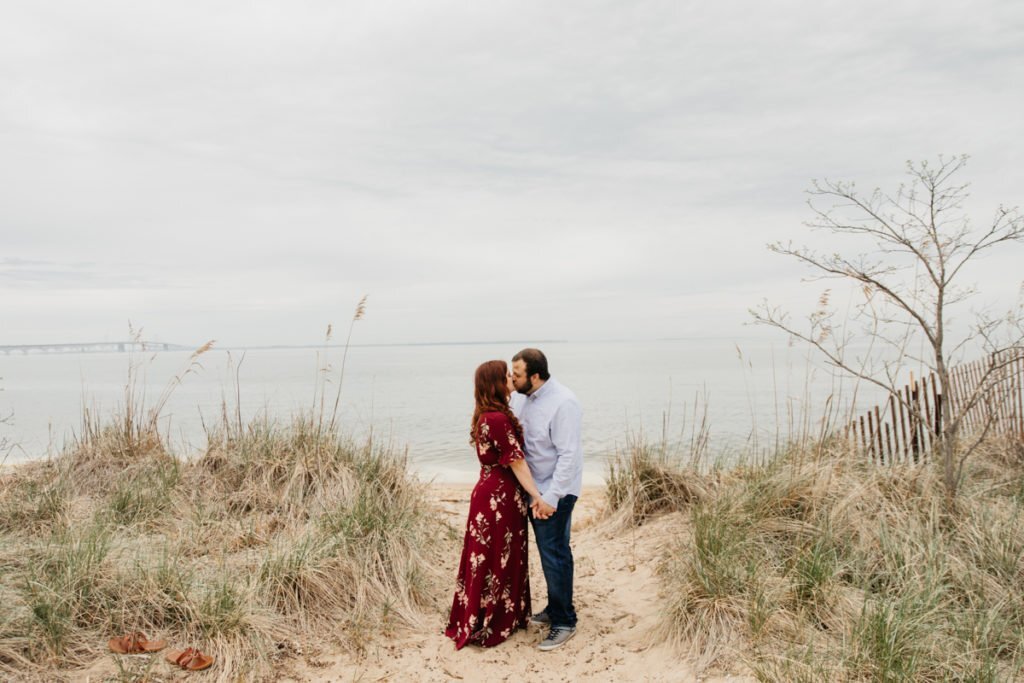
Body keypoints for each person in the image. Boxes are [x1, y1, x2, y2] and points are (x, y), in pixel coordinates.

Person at [445, 360, 545, 649]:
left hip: (492, 494)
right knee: (495, 555)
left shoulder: (489, 414)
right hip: (498, 498)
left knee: (492, 555)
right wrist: (537, 496)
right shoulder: (496, 419)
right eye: (506, 376)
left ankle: (495, 614)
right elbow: (517, 462)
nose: (511, 378)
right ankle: (491, 618)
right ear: (496, 383)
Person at [509, 348, 583, 652]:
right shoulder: (521, 397)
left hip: (557, 492)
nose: (511, 379)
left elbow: (569, 455)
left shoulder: (563, 403)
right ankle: (555, 608)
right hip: (535, 491)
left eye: (517, 375)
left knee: (554, 554)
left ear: (535, 376)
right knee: (548, 552)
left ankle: (565, 621)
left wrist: (550, 497)